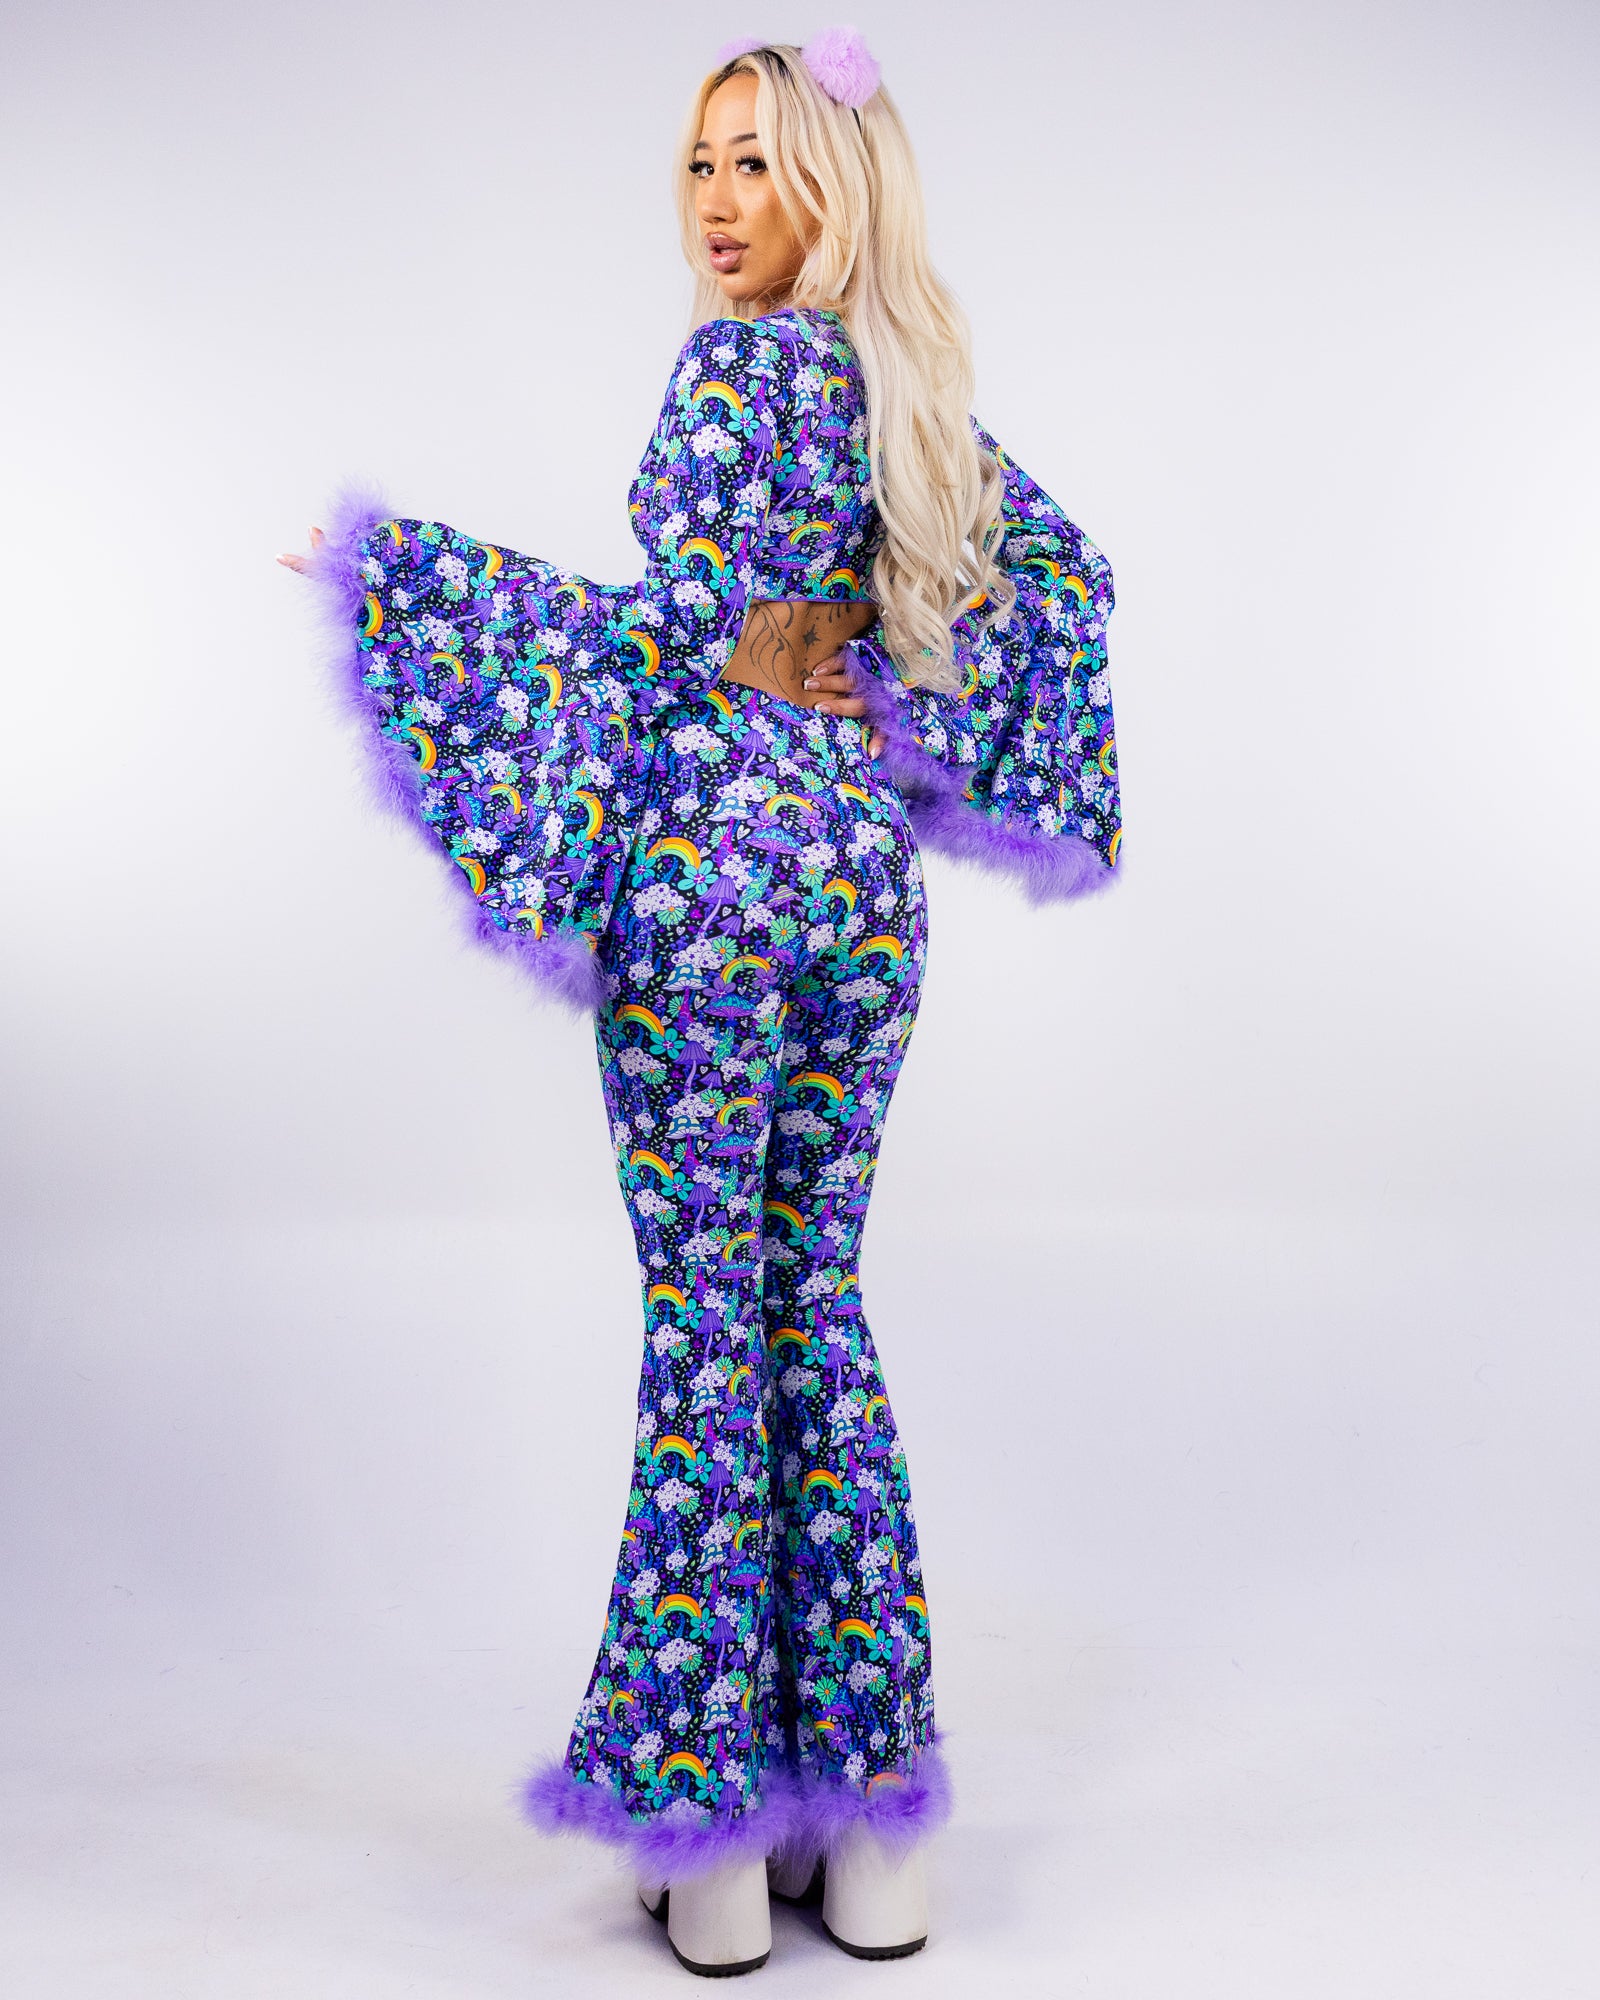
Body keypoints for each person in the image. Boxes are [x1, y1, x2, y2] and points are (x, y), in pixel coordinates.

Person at [281, 27, 1120, 1979]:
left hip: (715, 888)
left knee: (710, 1335)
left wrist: (399, 575)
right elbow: (1060, 581)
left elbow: (662, 636)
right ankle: (876, 1837)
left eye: (757, 163)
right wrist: (878, 694)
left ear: (836, 182)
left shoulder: (730, 373)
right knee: (817, 1307)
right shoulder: (913, 394)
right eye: (698, 164)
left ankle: (716, 1850)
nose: (718, 204)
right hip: (858, 892)